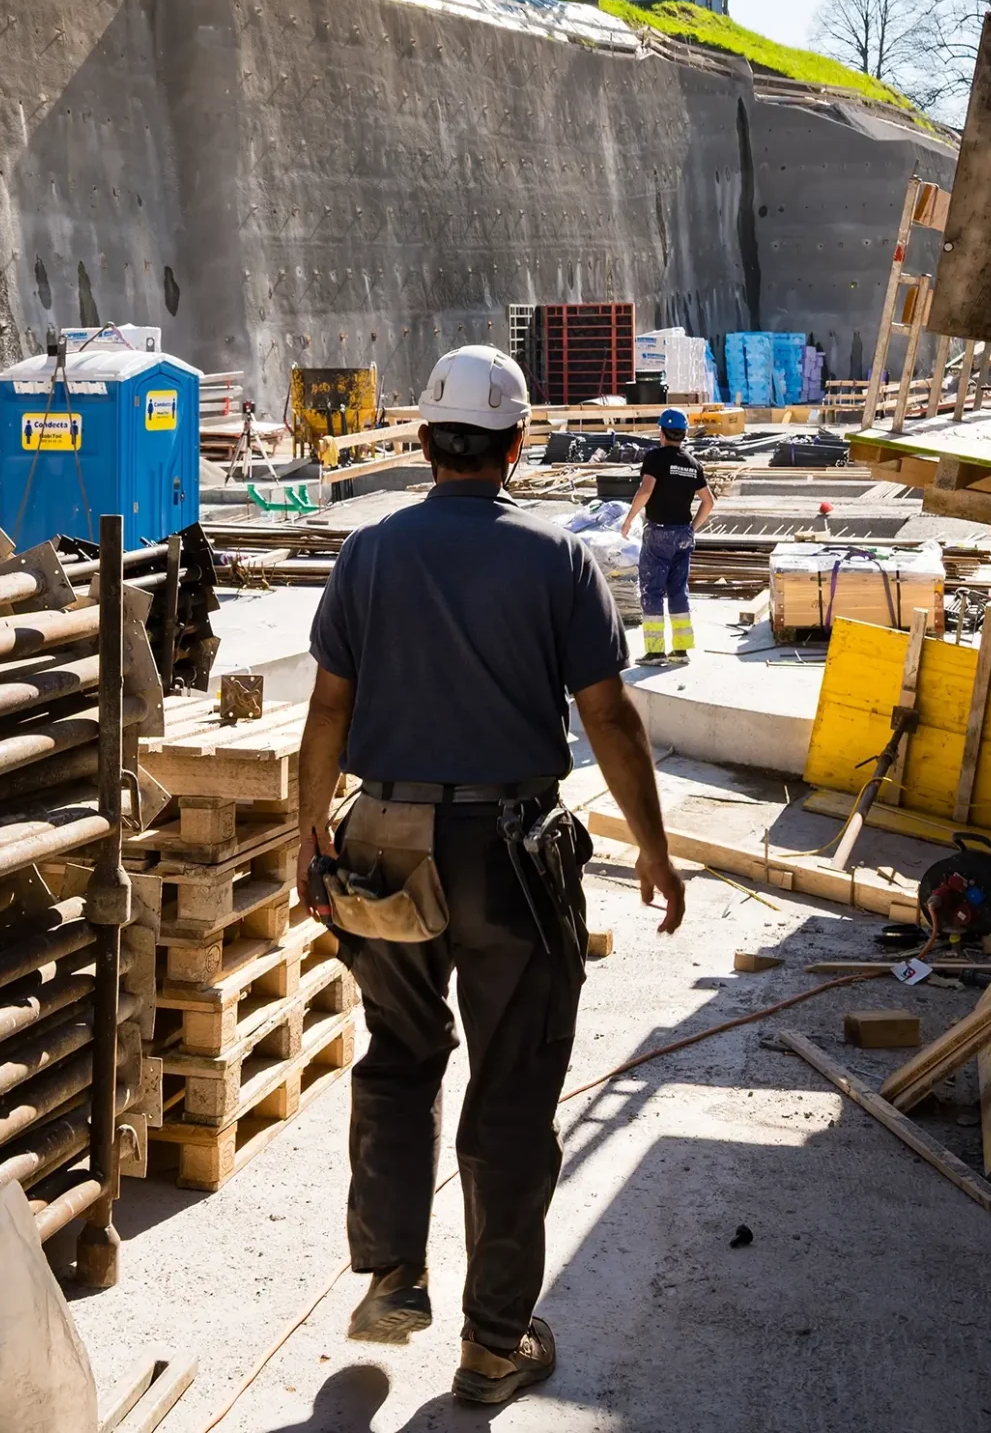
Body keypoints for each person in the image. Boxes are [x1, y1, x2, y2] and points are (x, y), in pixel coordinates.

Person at [297, 345, 684, 1409]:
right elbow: (609, 716)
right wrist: (653, 847)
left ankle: (392, 1273)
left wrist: (309, 838)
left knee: (399, 1054)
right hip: (510, 853)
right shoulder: (556, 559)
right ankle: (492, 1344)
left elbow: (327, 707)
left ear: (425, 441)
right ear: (517, 446)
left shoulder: (369, 554)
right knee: (511, 1088)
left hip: (384, 841)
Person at [621, 408, 716, 664]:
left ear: (661, 433)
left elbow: (646, 490)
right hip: (683, 534)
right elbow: (708, 501)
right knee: (678, 590)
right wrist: (692, 528)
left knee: (652, 590)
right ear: (684, 434)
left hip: (659, 533)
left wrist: (629, 519)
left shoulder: (655, 458)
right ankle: (681, 651)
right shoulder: (693, 464)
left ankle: (655, 651)